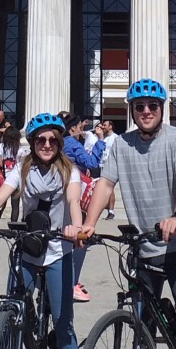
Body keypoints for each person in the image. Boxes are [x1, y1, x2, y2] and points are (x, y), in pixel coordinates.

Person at [79, 78, 176, 349]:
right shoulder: (122, 145)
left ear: (162, 108)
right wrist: (88, 223)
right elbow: (105, 184)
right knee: (143, 324)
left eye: (153, 105)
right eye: (139, 106)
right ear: (132, 110)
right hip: (142, 246)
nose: (146, 111)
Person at [0, 113, 84, 349]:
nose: (47, 145)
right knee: (13, 306)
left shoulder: (69, 171)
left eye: (53, 140)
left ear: (59, 142)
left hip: (58, 249)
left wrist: (75, 227)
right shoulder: (22, 168)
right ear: (33, 142)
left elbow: (74, 201)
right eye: (41, 140)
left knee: (62, 322)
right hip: (28, 247)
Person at [63, 113, 105, 302]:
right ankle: (72, 282)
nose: (82, 130)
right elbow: (92, 163)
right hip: (74, 190)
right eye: (80, 127)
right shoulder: (71, 143)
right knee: (79, 240)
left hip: (60, 191)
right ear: (72, 128)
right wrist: (100, 141)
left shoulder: (59, 143)